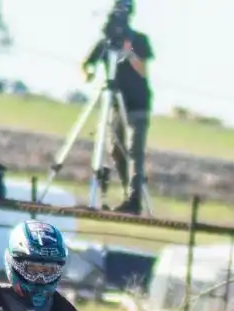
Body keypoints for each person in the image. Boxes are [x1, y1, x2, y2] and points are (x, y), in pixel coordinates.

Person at [82, 0, 153, 216]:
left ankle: (134, 200)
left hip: (137, 104)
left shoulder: (139, 41)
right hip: (114, 104)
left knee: (134, 152)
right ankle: (125, 192)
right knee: (115, 149)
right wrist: (89, 73)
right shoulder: (106, 41)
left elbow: (143, 71)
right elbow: (87, 63)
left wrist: (129, 51)